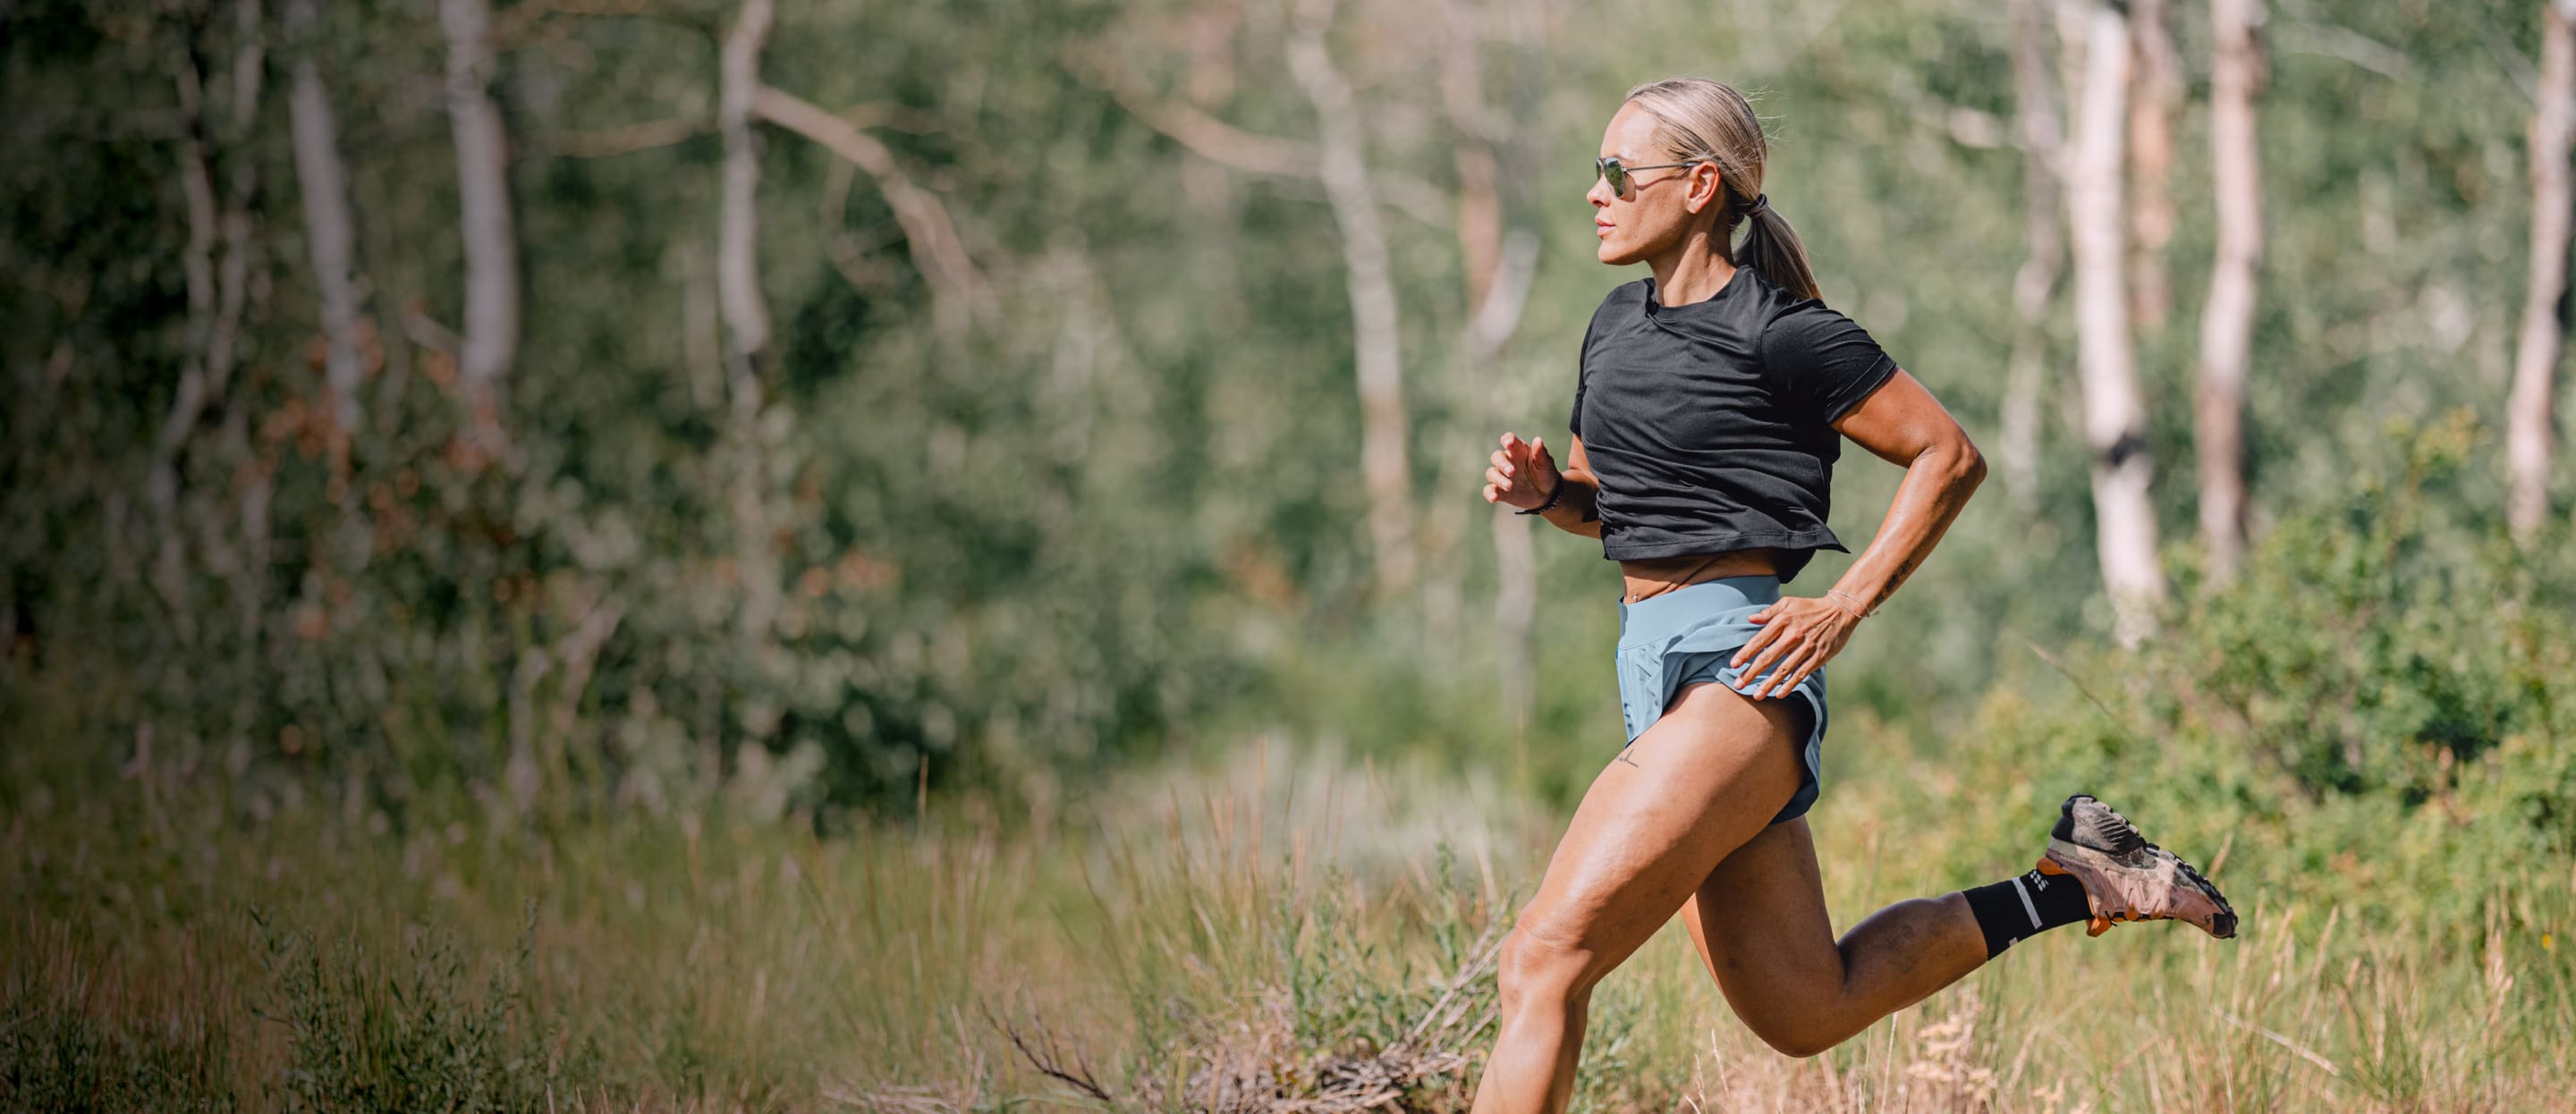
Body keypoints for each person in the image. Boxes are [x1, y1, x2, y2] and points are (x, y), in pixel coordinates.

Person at [1470, 77, 2234, 1110]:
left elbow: (1947, 454)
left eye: (1616, 171)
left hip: (1739, 671)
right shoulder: (1614, 325)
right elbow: (1614, 508)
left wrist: (1845, 604)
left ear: (1699, 186)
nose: (1596, 193)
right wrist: (1550, 493)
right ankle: (2078, 879)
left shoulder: (1784, 331)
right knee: (1805, 1007)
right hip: (1651, 668)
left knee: (1541, 960)